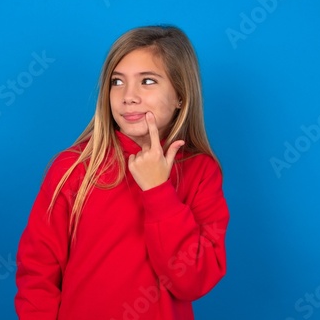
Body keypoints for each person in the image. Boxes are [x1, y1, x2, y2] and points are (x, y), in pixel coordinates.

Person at [15, 25, 229, 320]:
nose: (128, 96)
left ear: (180, 94)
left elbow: (191, 281)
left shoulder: (201, 171)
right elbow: (37, 272)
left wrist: (158, 191)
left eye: (148, 81)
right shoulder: (74, 167)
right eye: (117, 82)